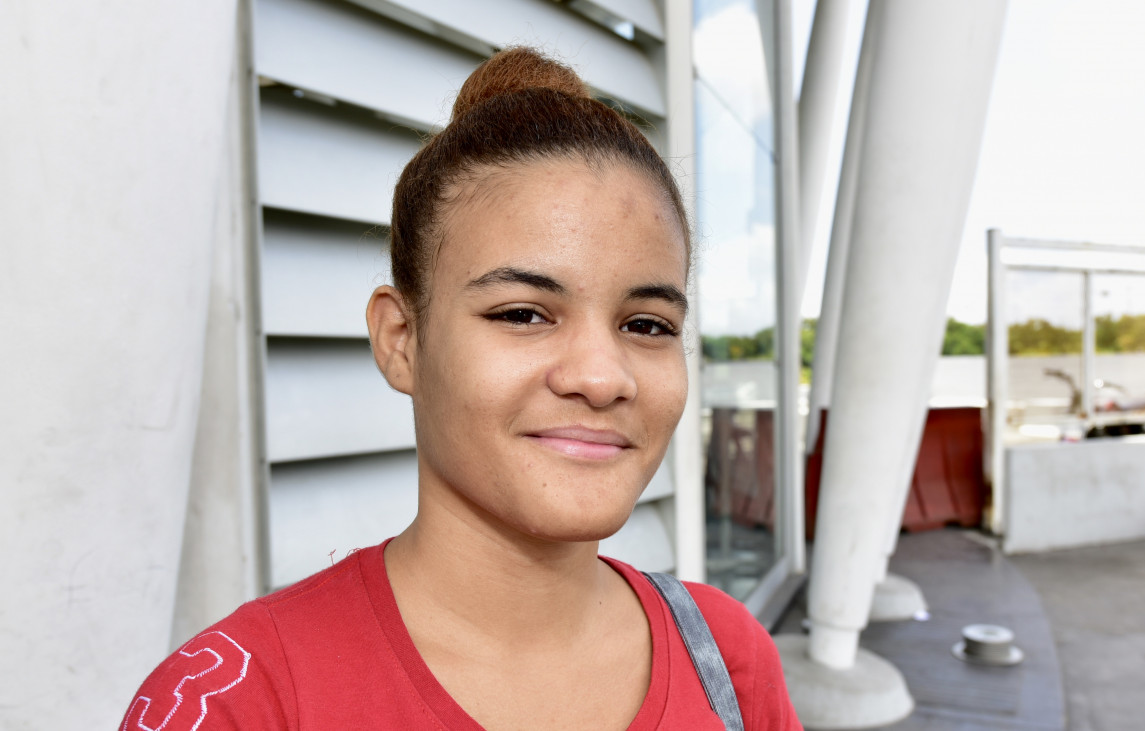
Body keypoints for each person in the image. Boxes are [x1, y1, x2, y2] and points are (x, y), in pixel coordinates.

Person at [120, 47, 801, 730]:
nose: (601, 378)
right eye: (523, 314)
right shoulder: (237, 702)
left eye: (647, 324)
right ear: (401, 339)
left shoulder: (727, 662)